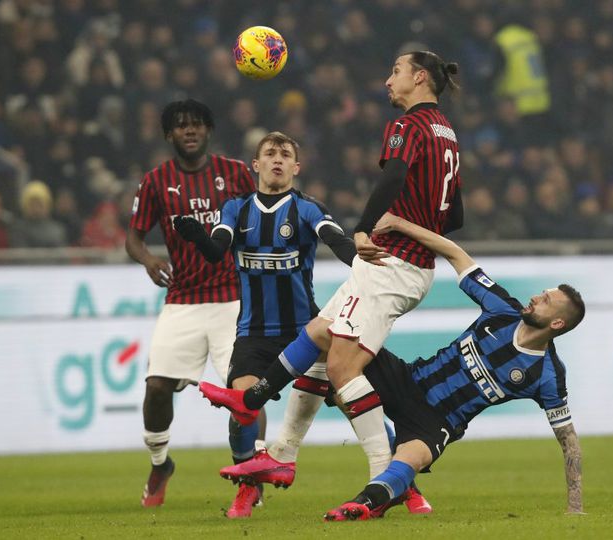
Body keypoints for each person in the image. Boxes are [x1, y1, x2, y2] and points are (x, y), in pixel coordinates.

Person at [199, 50, 463, 485]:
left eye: (394, 71)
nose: (387, 80)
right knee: (319, 334)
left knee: (343, 371)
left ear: (419, 78)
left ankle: (389, 477)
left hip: (391, 261)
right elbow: (454, 217)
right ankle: (273, 439)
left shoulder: (407, 125)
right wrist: (420, 227)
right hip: (409, 262)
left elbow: (394, 176)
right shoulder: (447, 133)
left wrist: (364, 230)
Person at [319, 212, 585, 520]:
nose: (536, 297)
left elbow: (569, 442)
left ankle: (363, 505)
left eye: (546, 300)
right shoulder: (501, 309)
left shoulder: (548, 374)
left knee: (411, 459)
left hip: (438, 422)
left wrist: (575, 507)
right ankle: (286, 448)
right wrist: (399, 223)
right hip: (410, 380)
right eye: (542, 293)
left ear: (557, 322)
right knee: (335, 346)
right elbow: (454, 253)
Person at [173, 131, 357, 518]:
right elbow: (216, 253)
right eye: (269, 153)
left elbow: (337, 242)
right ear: (255, 165)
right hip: (254, 334)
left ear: (295, 167)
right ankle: (248, 489)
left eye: (285, 154)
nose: (277, 158)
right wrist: (196, 237)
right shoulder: (236, 209)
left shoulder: (307, 209)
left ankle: (402, 480)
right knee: (243, 408)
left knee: (354, 401)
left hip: (304, 332)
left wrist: (363, 262)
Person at [125, 99, 255, 510]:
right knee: (157, 388)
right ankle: (161, 464)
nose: (190, 130)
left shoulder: (235, 174)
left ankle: (251, 475)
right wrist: (148, 260)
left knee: (246, 391)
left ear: (208, 130)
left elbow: (262, 218)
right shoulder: (155, 181)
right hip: (182, 300)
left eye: (197, 123)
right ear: (169, 135)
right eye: (181, 126)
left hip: (233, 298)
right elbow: (134, 237)